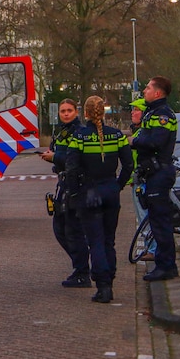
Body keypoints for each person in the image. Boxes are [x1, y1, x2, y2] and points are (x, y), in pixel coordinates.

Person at [66, 96, 133, 303]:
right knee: (108, 240)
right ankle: (110, 280)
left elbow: (71, 168)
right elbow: (129, 165)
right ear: (103, 112)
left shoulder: (79, 136)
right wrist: (118, 185)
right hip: (111, 191)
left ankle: (103, 287)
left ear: (85, 113)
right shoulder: (117, 135)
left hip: (89, 193)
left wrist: (75, 193)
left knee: (95, 241)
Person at [131, 76, 179, 281]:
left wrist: (134, 141)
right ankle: (164, 264)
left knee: (161, 222)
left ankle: (166, 266)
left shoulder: (162, 115)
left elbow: (156, 142)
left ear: (158, 93)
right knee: (157, 220)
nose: (145, 91)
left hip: (159, 172)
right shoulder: (153, 112)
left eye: (148, 88)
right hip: (153, 173)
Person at [40, 99, 90, 288]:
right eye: (63, 111)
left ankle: (82, 272)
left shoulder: (80, 131)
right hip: (63, 183)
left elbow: (76, 158)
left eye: (69, 110)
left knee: (73, 230)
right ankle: (81, 267)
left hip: (75, 185)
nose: (66, 114)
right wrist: (52, 156)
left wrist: (55, 157)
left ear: (76, 112)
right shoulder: (61, 131)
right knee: (60, 229)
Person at [129, 98, 156, 261]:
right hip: (137, 179)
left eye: (137, 109)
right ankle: (150, 248)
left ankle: (152, 250)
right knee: (143, 217)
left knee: (144, 216)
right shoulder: (138, 133)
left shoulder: (141, 135)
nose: (133, 112)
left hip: (141, 180)